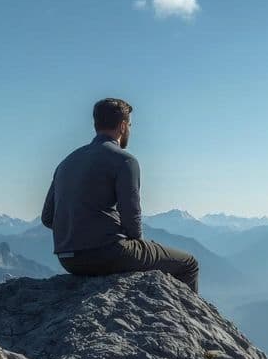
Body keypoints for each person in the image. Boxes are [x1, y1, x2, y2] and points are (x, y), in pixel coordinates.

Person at [42, 98, 200, 292]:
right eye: (130, 125)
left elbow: (48, 217)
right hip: (108, 254)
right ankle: (185, 320)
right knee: (189, 263)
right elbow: (132, 219)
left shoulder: (66, 162)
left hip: (68, 259)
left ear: (96, 124)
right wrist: (138, 246)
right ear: (123, 126)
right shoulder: (125, 160)